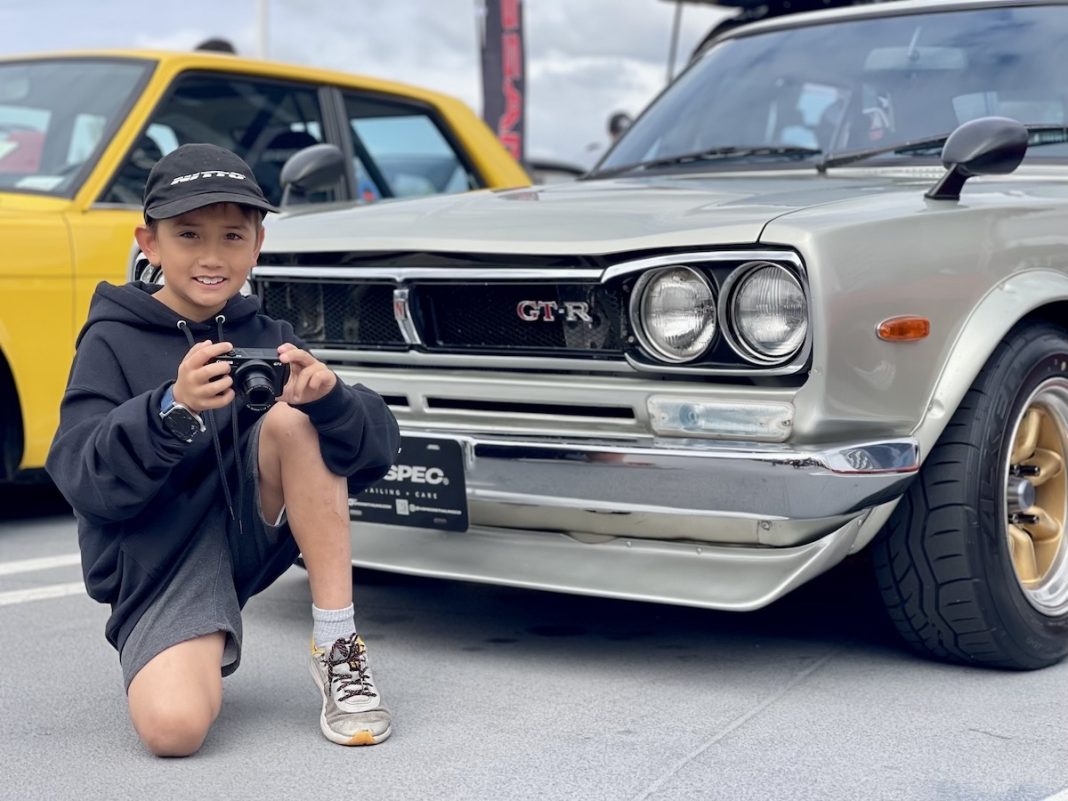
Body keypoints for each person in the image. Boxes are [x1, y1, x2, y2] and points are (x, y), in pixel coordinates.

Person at [45, 143, 400, 756]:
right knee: (174, 732)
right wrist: (170, 408)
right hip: (161, 560)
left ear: (257, 245)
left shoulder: (267, 336)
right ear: (149, 244)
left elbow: (372, 455)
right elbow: (80, 476)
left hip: (248, 532)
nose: (212, 257)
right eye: (188, 235)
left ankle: (338, 644)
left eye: (233, 237)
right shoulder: (110, 339)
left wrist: (331, 399)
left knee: (295, 420)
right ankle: (191, 643)